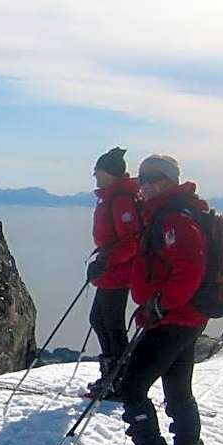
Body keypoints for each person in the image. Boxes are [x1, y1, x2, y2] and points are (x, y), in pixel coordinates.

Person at [113, 154, 209, 445]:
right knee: (179, 392)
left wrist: (159, 303)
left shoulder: (174, 220)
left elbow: (190, 269)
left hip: (173, 319)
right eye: (143, 179)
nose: (148, 185)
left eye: (156, 178)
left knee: (132, 384)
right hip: (185, 319)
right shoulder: (172, 214)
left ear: (171, 180)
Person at [86, 147, 141, 399]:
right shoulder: (112, 197)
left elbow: (132, 241)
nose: (95, 174)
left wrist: (106, 260)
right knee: (100, 320)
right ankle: (113, 376)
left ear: (110, 173)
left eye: (99, 170)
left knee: (111, 323)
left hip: (118, 273)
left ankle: (119, 379)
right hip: (111, 270)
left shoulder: (120, 200)